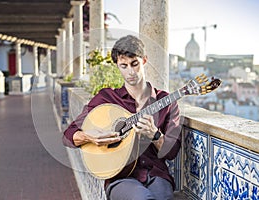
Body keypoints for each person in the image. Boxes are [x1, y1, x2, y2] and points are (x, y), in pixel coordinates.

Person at [63, 35, 182, 200]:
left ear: (144, 61)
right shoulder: (107, 99)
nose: (131, 72)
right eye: (124, 66)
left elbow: (172, 151)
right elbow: (69, 135)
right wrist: (89, 136)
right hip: (120, 178)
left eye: (135, 64)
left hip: (156, 174)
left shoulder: (166, 101)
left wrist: (155, 134)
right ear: (117, 66)